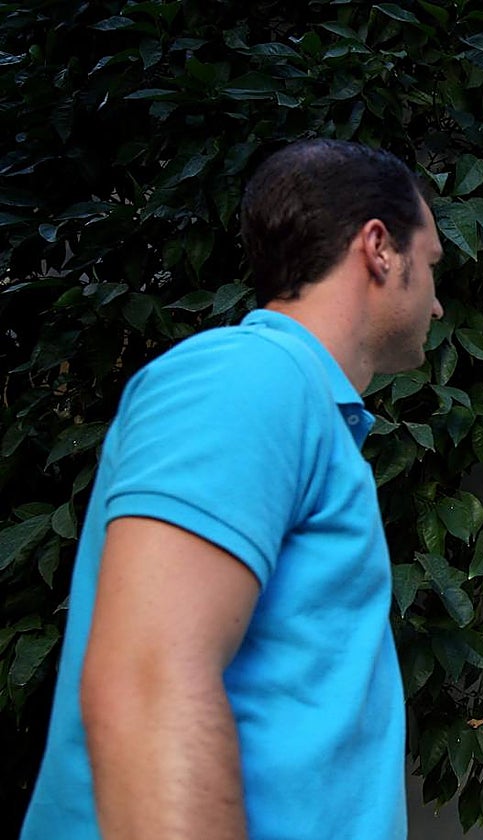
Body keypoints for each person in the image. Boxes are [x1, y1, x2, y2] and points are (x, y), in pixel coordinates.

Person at [21, 138, 443, 840]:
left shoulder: (301, 406)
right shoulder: (249, 378)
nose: (436, 305)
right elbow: (151, 683)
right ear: (379, 249)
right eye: (431, 267)